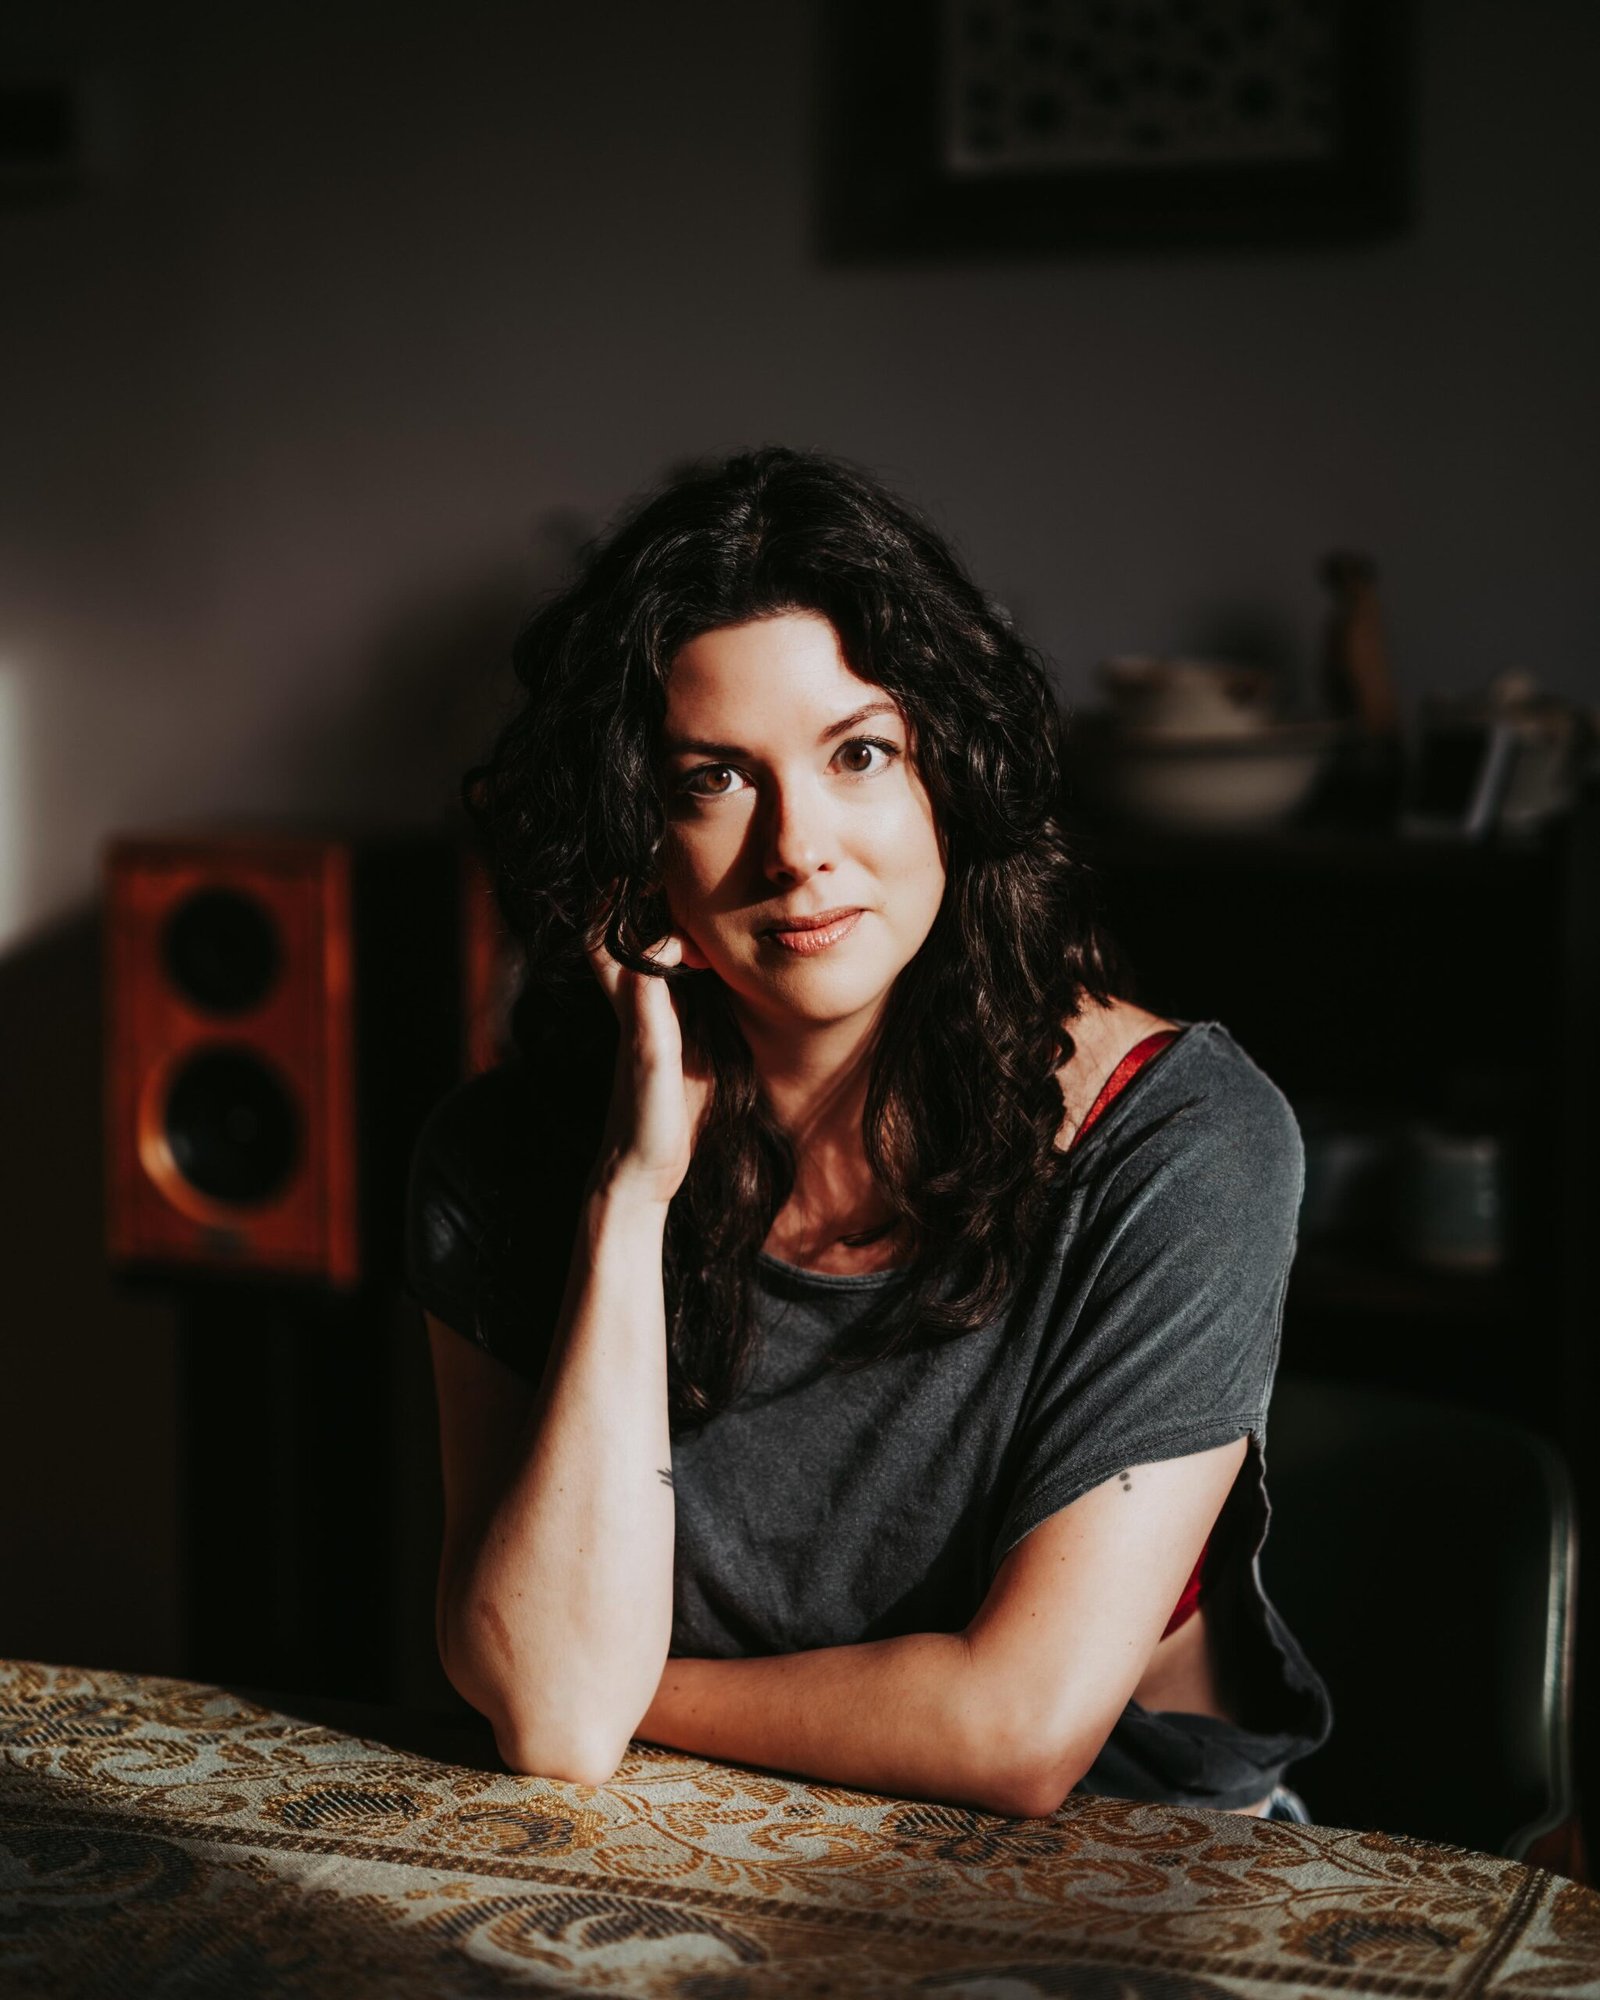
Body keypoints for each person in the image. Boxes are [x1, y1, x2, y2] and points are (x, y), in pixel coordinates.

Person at [404, 445, 1333, 1823]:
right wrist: (633, 1192)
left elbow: (1017, 1735)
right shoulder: (507, 1160)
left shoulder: (1182, 1138)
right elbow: (547, 1723)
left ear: (946, 771)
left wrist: (598, 1684)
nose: (798, 848)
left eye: (858, 754)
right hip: (659, 1847)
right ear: (626, 833)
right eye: (712, 779)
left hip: (1119, 1864)